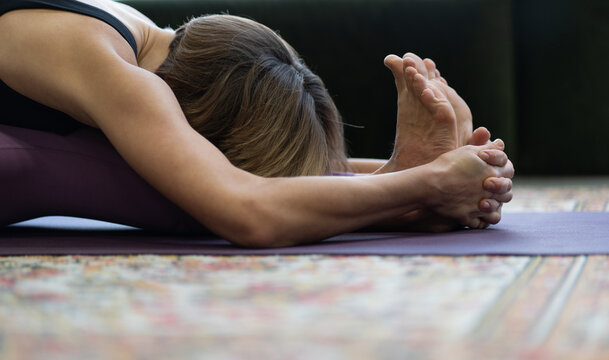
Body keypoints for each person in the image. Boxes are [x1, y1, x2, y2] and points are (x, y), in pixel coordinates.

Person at [0, 0, 514, 247]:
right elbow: (247, 210)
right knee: (183, 199)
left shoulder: (137, 36)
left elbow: (244, 175)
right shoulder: (122, 76)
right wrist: (427, 183)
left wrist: (400, 172)